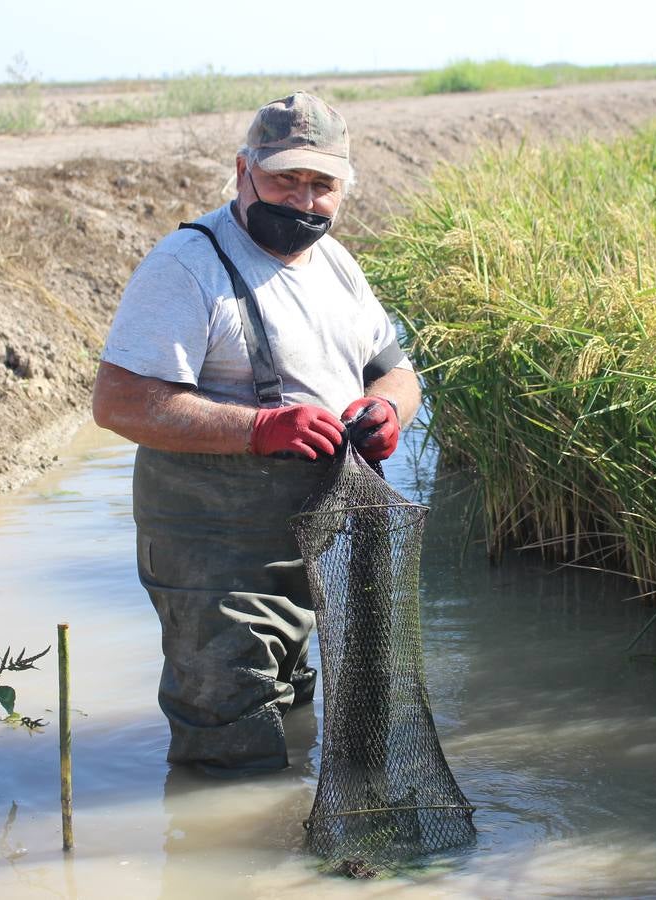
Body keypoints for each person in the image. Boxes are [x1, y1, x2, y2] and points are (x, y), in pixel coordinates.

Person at [92, 92, 422, 776]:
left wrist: (387, 412)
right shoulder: (188, 266)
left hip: (317, 533)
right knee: (230, 730)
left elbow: (398, 375)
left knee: (294, 703)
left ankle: (289, 848)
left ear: (342, 189)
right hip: (214, 549)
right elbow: (120, 402)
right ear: (245, 172)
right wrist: (259, 428)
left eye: (321, 184)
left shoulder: (337, 266)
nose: (303, 199)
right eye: (284, 179)